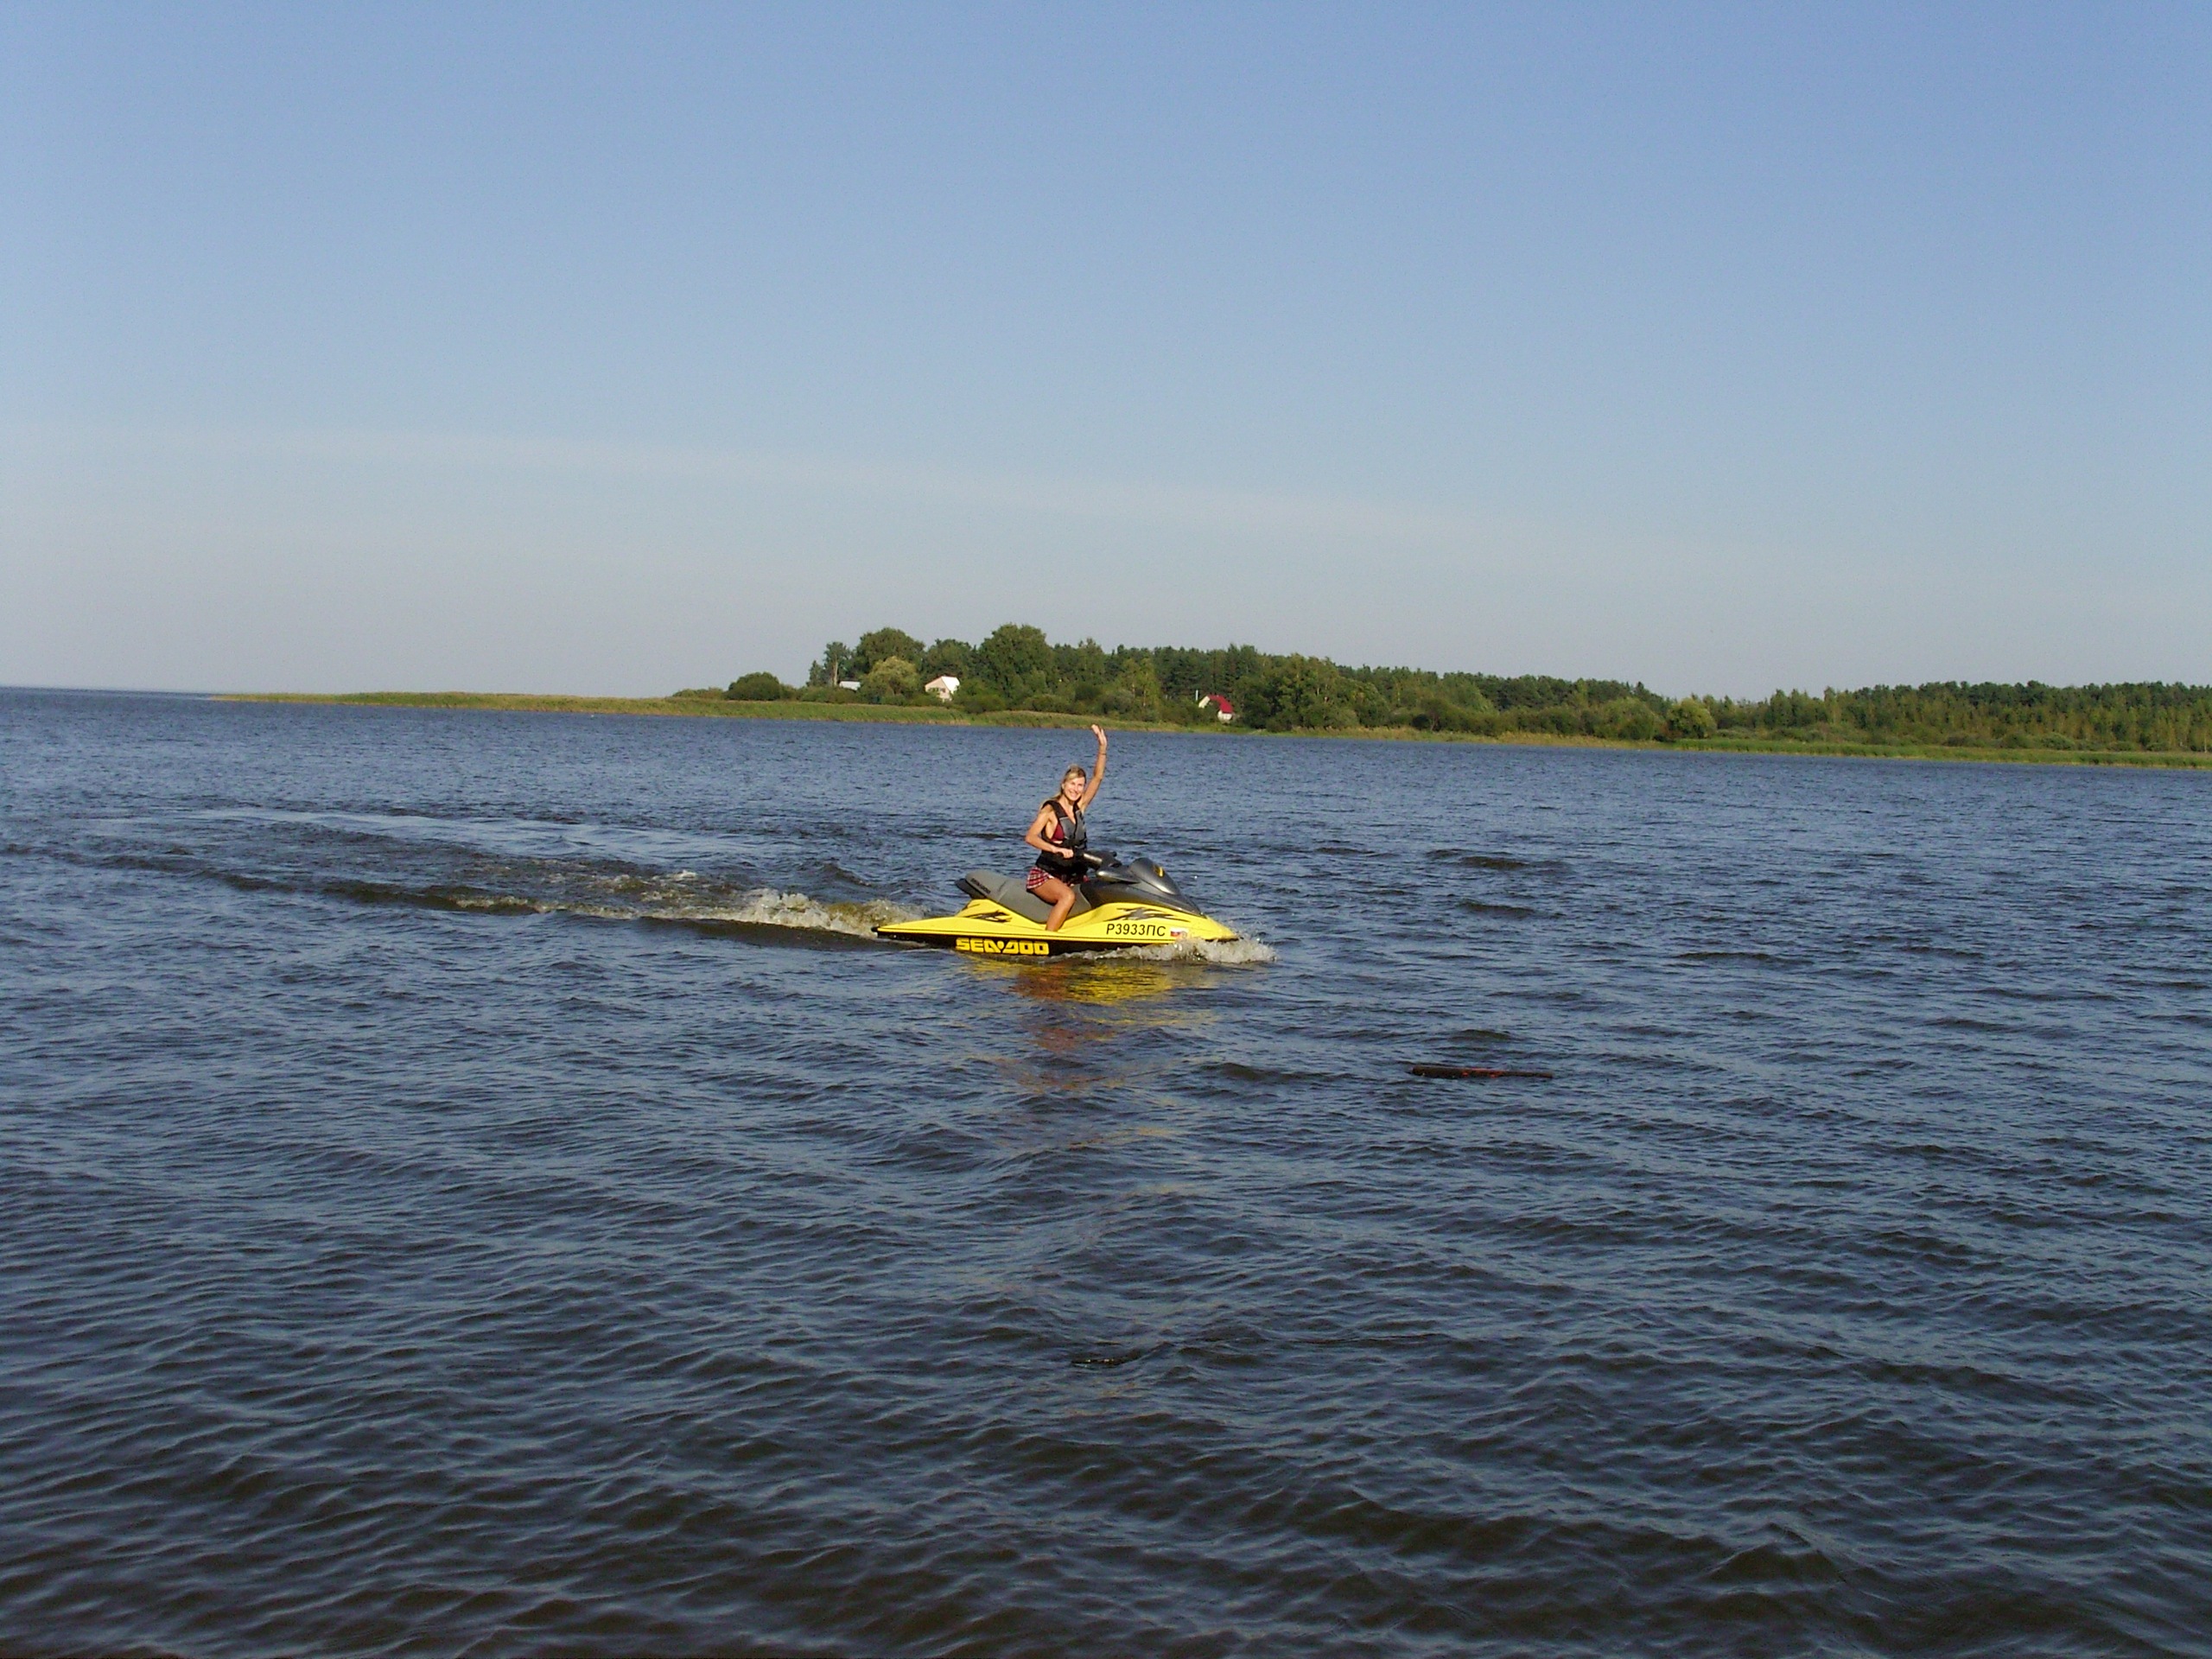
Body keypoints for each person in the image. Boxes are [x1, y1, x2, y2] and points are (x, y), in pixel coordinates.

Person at [1023, 725, 1108, 931]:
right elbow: (1030, 837)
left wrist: (1102, 747)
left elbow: (1098, 777)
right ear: (1063, 784)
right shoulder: (1050, 810)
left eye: (1080, 786)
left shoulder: (1080, 806)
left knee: (1102, 892)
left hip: (1074, 876)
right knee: (1067, 897)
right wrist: (1056, 849)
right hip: (1046, 875)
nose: (1076, 790)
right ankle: (1048, 938)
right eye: (1072, 784)